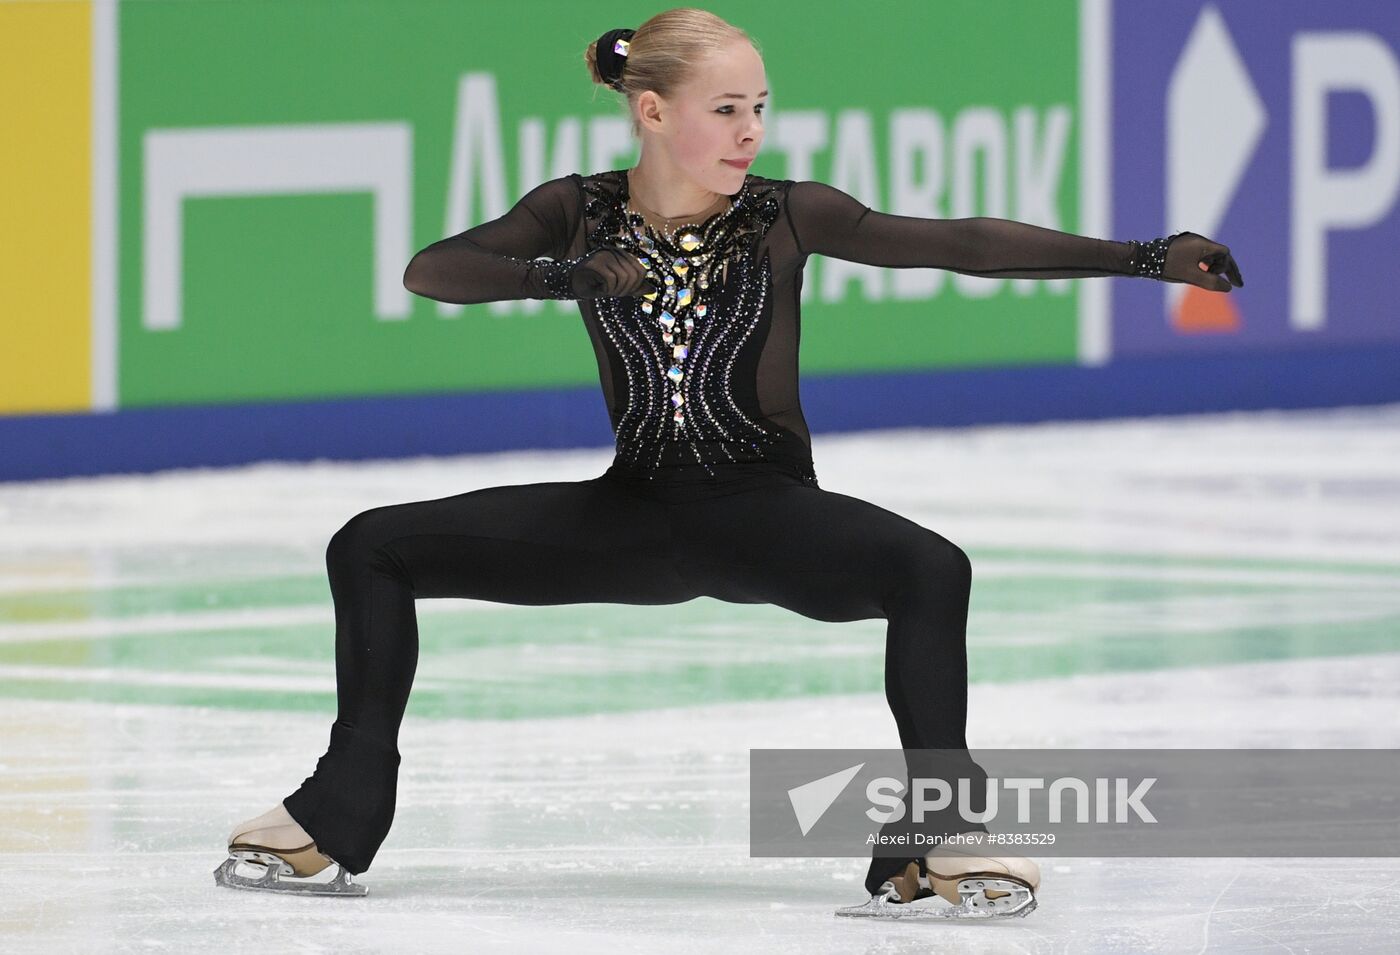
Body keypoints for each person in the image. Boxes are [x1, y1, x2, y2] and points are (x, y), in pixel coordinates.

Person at [214, 8, 1243, 919]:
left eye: (758, 107)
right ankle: (334, 813)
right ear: (652, 112)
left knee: (929, 568)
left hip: (761, 511)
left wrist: (1141, 257)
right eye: (725, 109)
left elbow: (958, 242)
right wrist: (561, 275)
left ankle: (939, 830)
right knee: (371, 546)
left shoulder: (786, 213)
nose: (750, 131)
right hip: (632, 515)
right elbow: (431, 269)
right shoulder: (575, 209)